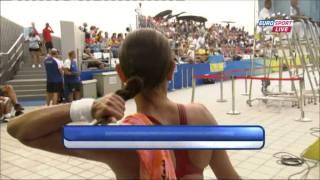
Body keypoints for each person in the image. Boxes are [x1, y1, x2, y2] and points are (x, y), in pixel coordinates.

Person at [7, 29, 240, 179]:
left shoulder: (120, 139)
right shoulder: (201, 117)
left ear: (120, 73)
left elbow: (19, 129)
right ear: (171, 70)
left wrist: (87, 107)